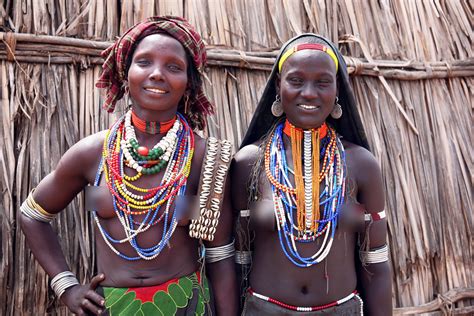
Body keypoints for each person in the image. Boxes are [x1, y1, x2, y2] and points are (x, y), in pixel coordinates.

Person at [19, 16, 237, 315]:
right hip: (112, 307)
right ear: (125, 73)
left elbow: (220, 254)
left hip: (186, 304)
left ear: (188, 84)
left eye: (174, 67)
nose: (157, 74)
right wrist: (66, 285)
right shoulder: (93, 153)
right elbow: (32, 215)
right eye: (144, 62)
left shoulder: (203, 158)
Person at [231, 33, 392, 315]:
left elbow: (376, 265)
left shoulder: (361, 164)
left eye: (322, 82)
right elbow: (236, 260)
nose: (308, 92)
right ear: (278, 86)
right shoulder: (249, 162)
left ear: (337, 89)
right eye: (295, 80)